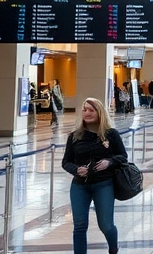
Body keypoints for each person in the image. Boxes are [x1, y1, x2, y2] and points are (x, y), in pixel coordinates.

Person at [61, 97, 128, 254]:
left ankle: (113, 248)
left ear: (100, 113)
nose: (87, 113)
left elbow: (123, 156)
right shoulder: (75, 136)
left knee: (106, 225)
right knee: (79, 224)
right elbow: (66, 162)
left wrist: (109, 162)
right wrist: (76, 170)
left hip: (103, 184)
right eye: (85, 110)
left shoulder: (111, 134)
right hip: (79, 185)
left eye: (91, 110)